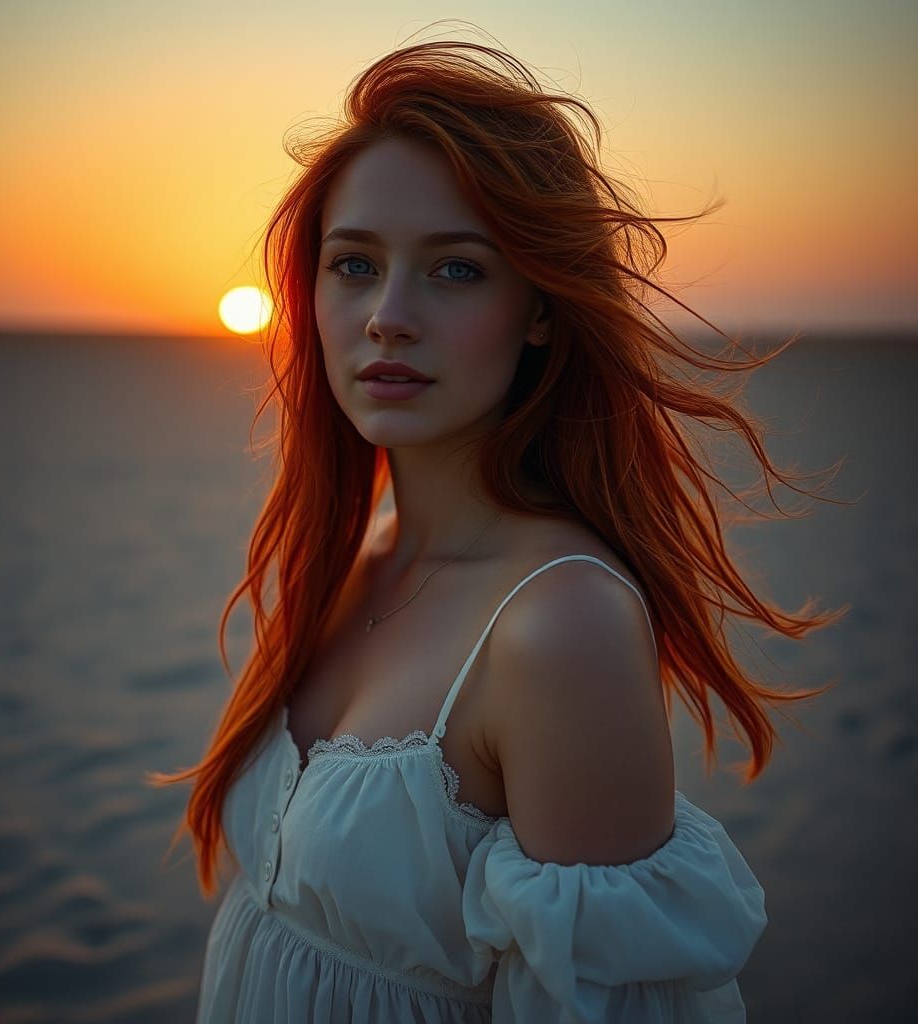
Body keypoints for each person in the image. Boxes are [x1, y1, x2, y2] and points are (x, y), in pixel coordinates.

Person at [152, 34, 846, 1023]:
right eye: (354, 264)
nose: (387, 315)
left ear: (540, 313)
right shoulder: (359, 557)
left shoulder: (560, 626)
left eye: (456, 271)